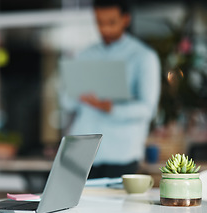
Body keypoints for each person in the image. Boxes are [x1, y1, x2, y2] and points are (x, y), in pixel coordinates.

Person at [60, 0, 161, 178]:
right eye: (99, 22)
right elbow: (67, 103)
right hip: (82, 153)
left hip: (121, 154)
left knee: (117, 206)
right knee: (79, 206)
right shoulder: (84, 55)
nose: (105, 29)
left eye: (111, 22)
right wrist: (78, 95)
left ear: (125, 19)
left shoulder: (143, 57)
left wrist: (110, 107)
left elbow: (147, 110)